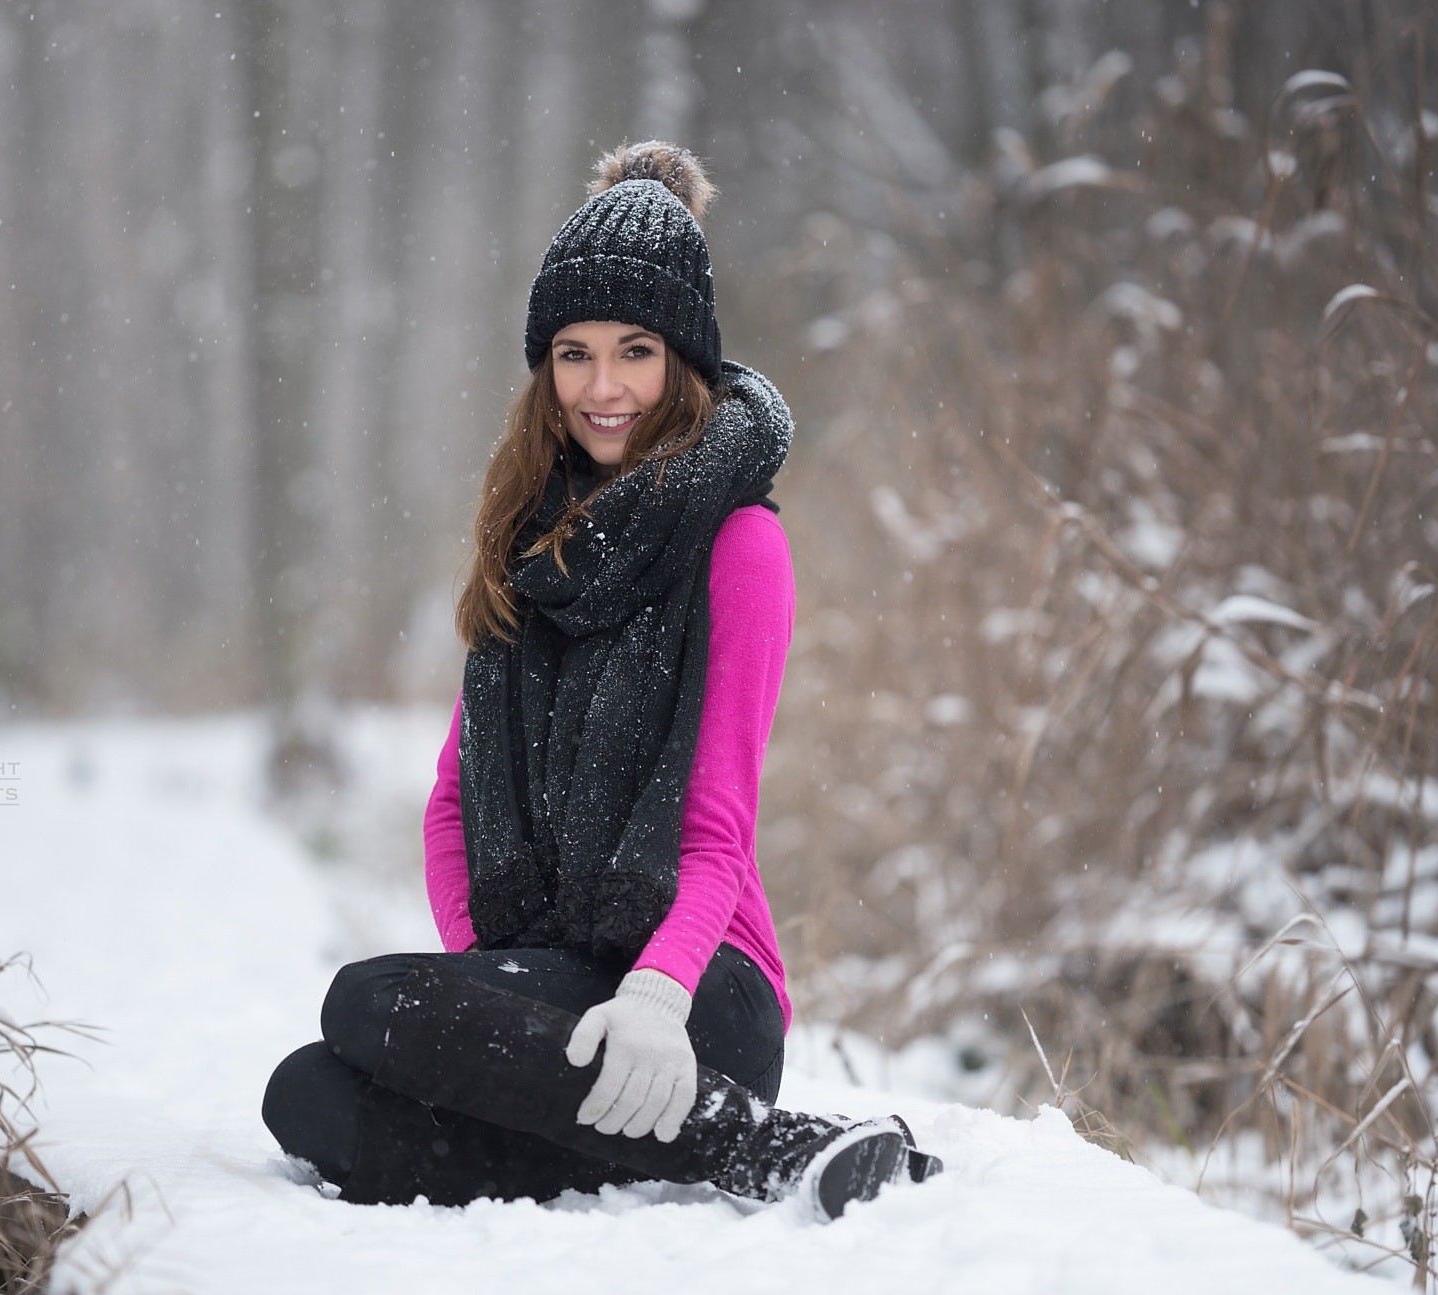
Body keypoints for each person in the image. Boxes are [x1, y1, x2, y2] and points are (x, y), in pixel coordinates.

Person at [260, 142, 939, 1220]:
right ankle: (604, 1145)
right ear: (543, 368)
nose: (603, 387)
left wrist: (655, 994)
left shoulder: (738, 542)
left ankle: (756, 1143)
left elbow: (717, 829)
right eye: (572, 354)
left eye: (634, 350)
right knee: (306, 1096)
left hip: (698, 991)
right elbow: (450, 801)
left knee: (364, 999)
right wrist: (495, 1009)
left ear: (683, 358)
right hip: (560, 973)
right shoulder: (528, 541)